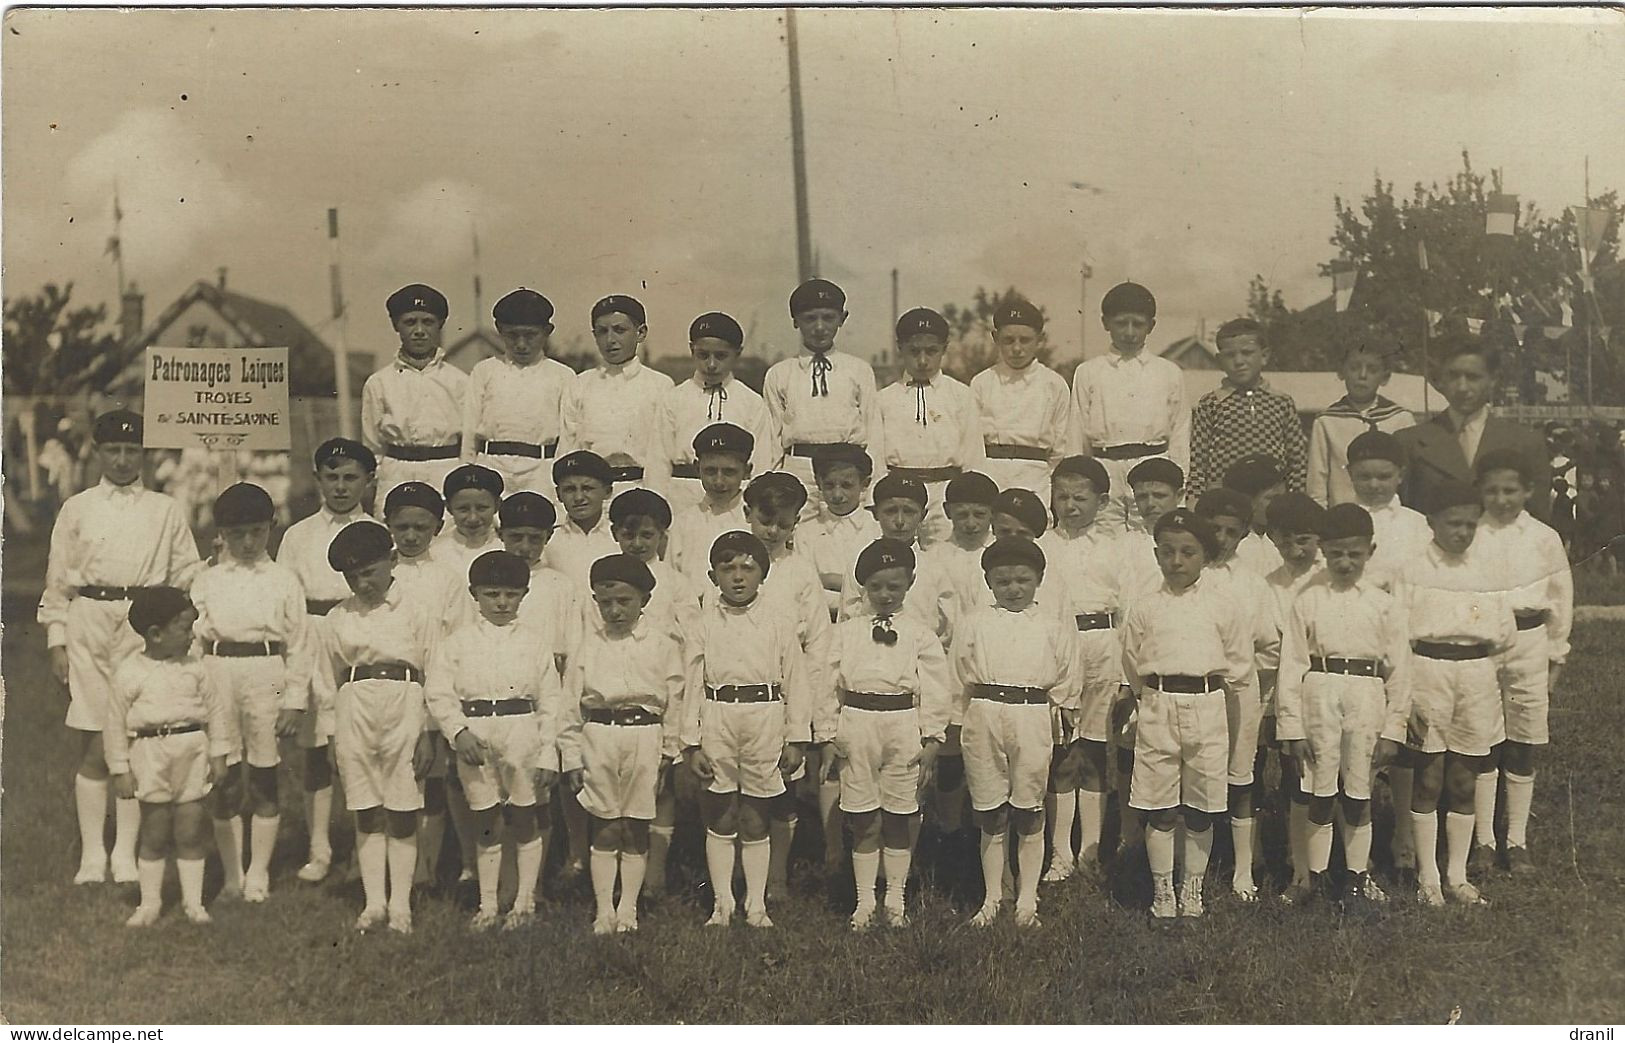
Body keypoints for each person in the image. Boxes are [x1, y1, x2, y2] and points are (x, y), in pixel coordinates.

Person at [39, 409, 204, 885]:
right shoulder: (78, 507)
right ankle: (93, 854)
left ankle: (127, 854)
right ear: (98, 452)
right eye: (114, 450)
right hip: (90, 621)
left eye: (133, 450)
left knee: (136, 739)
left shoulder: (165, 508)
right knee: (95, 738)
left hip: (144, 623)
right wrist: (56, 639)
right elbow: (57, 583)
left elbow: (185, 572)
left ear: (145, 455)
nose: (123, 459)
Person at [1274, 503, 1412, 915]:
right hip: (1319, 692)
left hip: (1366, 694)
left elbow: (1399, 669)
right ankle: (1312, 878)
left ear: (1370, 550)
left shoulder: (1384, 604)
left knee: (1358, 790)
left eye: (1354, 553)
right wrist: (1292, 727)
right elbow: (1292, 665)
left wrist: (1394, 729)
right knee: (1318, 788)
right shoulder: (1308, 599)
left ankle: (1356, 877)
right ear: (1323, 550)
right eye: (1335, 554)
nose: (1345, 562)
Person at [1120, 509, 1251, 920]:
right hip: (1159, 704)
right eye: (1167, 552)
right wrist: (1149, 698)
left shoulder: (1224, 606)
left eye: (1188, 553)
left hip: (1208, 705)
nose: (1177, 561)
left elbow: (1238, 669)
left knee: (1201, 804)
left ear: (1205, 557)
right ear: (1157, 555)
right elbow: (1130, 661)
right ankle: (1162, 892)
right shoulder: (1144, 606)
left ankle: (1191, 889)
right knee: (1160, 804)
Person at [1393, 480, 1517, 908]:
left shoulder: (1487, 570)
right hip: (1427, 671)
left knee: (1465, 778)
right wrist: (1404, 697)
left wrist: (1484, 675)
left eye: (1470, 524)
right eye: (1453, 523)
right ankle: (1427, 876)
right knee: (1427, 777)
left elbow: (1504, 634)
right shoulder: (1411, 569)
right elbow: (1397, 639)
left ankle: (1456, 876)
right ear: (1431, 523)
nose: (1462, 532)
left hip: (1476, 674)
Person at [424, 550, 563, 931]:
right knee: (485, 818)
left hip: (522, 730)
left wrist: (549, 751)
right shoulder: (457, 643)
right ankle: (487, 904)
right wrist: (458, 732)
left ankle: (523, 902)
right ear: (475, 594)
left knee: (524, 815)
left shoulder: (535, 643)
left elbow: (551, 699)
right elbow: (438, 693)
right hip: (476, 733)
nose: (501, 603)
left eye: (510, 595)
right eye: (492, 594)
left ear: (524, 594)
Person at [315, 520, 440, 933]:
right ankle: (374, 904)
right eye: (353, 577)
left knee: (403, 807)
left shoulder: (418, 612)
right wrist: (333, 736)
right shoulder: (338, 617)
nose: (362, 583)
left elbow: (435, 673)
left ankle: (401, 904)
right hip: (355, 706)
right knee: (366, 807)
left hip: (405, 701)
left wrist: (428, 731)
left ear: (391, 561)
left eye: (369, 572)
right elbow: (326, 679)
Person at [684, 532, 814, 929]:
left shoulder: (778, 622)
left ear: (763, 573)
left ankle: (756, 905)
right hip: (719, 716)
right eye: (728, 569)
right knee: (721, 816)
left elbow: (796, 680)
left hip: (765, 718)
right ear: (713, 575)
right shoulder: (702, 623)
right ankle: (722, 904)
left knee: (757, 816)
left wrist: (796, 737)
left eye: (747, 568)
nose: (738, 577)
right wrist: (691, 742)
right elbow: (691, 683)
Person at [821, 539, 952, 929]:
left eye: (893, 587)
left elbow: (935, 688)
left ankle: (895, 899)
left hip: (902, 726)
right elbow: (828, 685)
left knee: (899, 815)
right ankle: (864, 902)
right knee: (864, 818)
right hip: (857, 725)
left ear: (909, 585)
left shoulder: (920, 634)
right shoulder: (845, 633)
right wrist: (829, 735)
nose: (884, 595)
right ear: (862, 586)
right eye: (875, 586)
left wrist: (932, 738)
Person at [191, 482, 310, 903]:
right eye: (236, 533)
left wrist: (295, 699)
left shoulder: (283, 580)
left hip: (265, 673)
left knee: (263, 774)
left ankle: (258, 873)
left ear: (271, 528)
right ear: (221, 532)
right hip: (217, 671)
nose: (246, 542)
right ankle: (230, 877)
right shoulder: (206, 580)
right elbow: (191, 640)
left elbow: (299, 643)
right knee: (220, 775)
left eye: (256, 532)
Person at [557, 554, 689, 934]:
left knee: (634, 826)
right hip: (599, 737)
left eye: (624, 601)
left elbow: (674, 700)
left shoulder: (662, 645)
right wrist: (572, 757)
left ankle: (628, 908)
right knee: (605, 825)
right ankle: (604, 909)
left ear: (644, 600)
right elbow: (569, 705)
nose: (614, 610)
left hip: (645, 737)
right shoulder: (588, 645)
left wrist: (668, 753)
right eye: (605, 602)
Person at [955, 538, 1079, 928]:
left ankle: (1028, 898)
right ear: (989, 582)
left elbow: (1068, 675)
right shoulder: (974, 621)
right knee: (991, 809)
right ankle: (994, 895)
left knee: (1029, 807)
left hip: (1032, 715)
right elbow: (958, 670)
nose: (1013, 588)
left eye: (1023, 580)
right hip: (985, 713)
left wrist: (1063, 713)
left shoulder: (1051, 626)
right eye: (1003, 581)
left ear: (1039, 580)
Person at [1468, 448, 1572, 875]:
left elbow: (1561, 596)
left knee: (1523, 741)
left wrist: (1556, 654)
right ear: (1480, 491)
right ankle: (1484, 842)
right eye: (1492, 490)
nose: (1502, 498)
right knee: (1482, 741)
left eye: (1511, 490)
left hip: (1530, 641)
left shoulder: (1543, 537)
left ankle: (1517, 840)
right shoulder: (1470, 533)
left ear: (1528, 490)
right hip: (1482, 644)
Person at [276, 436, 375, 882]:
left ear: (368, 482)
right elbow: (286, 600)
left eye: (350, 478)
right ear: (317, 480)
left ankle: (364, 847)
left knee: (358, 748)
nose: (340, 487)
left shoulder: (378, 531)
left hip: (357, 635)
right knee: (316, 751)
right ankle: (319, 848)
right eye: (331, 477)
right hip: (311, 638)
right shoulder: (298, 535)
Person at [106, 588, 231, 926]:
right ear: (155, 634)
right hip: (150, 753)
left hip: (191, 752)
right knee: (155, 832)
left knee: (190, 830)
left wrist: (220, 754)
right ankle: (150, 904)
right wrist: (119, 769)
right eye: (183, 628)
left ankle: (193, 903)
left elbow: (216, 712)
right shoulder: (131, 672)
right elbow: (114, 724)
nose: (191, 635)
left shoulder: (196, 668)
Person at [1193, 488, 1281, 903]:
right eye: (1214, 529)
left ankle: (1244, 870)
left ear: (1245, 533)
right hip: (1192, 695)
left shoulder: (1252, 584)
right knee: (1193, 779)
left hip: (1238, 694)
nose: (1222, 538)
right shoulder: (1185, 575)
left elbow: (1270, 644)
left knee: (1241, 780)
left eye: (1232, 531)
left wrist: (1249, 681)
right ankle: (1193, 868)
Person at [1037, 456, 1120, 882]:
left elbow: (1127, 609)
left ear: (1101, 501)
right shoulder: (1043, 546)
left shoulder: (1114, 547)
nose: (1069, 506)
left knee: (1094, 750)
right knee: (1061, 752)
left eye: (1080, 498)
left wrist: (1123, 673)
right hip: (1059, 648)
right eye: (1061, 497)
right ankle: (1059, 852)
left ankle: (1091, 849)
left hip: (1103, 645)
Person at [1070, 282, 1190, 535]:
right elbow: (1076, 430)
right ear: (1106, 323)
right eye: (1121, 323)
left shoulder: (1168, 372)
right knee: (1102, 535)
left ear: (1151, 326)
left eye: (1138, 324)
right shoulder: (1089, 372)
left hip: (1153, 465)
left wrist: (1178, 480)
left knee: (1152, 534)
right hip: (1104, 467)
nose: (1129, 332)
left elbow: (1180, 431)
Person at [1393, 334, 1551, 521]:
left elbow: (1538, 518)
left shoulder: (1526, 443)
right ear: (1441, 379)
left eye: (1472, 377)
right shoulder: (1410, 442)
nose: (1462, 387)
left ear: (1493, 380)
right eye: (1453, 376)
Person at [762, 279, 882, 521]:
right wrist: (768, 487)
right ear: (795, 321)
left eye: (828, 318)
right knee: (795, 538)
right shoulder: (780, 373)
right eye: (809, 319)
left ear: (842, 318)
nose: (819, 327)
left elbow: (874, 432)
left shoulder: (858, 370)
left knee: (847, 536)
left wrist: (872, 493)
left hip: (846, 472)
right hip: (798, 471)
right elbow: (771, 439)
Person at [875, 307, 985, 546]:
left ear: (944, 349)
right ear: (900, 348)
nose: (923, 360)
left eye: (931, 351)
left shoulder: (961, 395)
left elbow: (973, 457)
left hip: (945, 494)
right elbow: (875, 457)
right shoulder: (884, 399)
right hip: (900, 498)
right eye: (914, 351)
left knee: (945, 557)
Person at [654, 312, 778, 515]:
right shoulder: (674, 399)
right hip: (681, 499)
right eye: (703, 355)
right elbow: (658, 462)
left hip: (735, 501)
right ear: (692, 350)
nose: (711, 364)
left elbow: (761, 463)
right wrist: (657, 512)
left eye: (721, 356)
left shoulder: (751, 402)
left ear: (737, 354)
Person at [362, 284, 469, 505]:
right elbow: (372, 446)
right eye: (410, 322)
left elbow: (469, 442)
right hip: (396, 474)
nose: (419, 331)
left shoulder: (460, 382)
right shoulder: (379, 382)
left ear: (440, 325)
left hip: (446, 473)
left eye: (428, 322)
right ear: (396, 325)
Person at [463, 288, 575, 497]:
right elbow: (469, 432)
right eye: (512, 335)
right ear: (499, 330)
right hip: (490, 467)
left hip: (541, 472)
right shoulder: (485, 371)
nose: (521, 344)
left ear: (547, 331)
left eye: (530, 335)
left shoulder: (563, 376)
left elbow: (569, 439)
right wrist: (468, 473)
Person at [558, 295, 674, 487]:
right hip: (591, 492)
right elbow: (567, 448)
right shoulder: (579, 384)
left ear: (641, 333)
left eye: (619, 330)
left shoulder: (660, 386)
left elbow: (663, 454)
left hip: (640, 487)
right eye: (602, 332)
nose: (610, 340)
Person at [970, 297, 1075, 504]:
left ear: (1040, 339)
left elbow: (1061, 446)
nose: (1017, 349)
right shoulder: (981, 383)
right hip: (991, 474)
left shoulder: (1054, 384)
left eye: (1025, 340)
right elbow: (971, 443)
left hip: (1036, 477)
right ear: (995, 337)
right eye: (1008, 340)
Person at [1188, 318, 1307, 498]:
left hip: (1270, 496)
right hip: (1226, 496)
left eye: (1247, 353)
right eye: (1230, 355)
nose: (1239, 361)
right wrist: (1195, 499)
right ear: (1219, 360)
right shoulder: (1211, 403)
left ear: (1264, 356)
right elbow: (1197, 460)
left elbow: (1297, 459)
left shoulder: (1281, 402)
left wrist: (1296, 499)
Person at [1306, 342, 1416, 507]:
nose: (1362, 375)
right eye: (1354, 368)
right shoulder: (1326, 422)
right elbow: (1317, 483)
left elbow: (1409, 478)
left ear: (1385, 377)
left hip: (1392, 516)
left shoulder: (1401, 418)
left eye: (1372, 370)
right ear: (1341, 371)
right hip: (1344, 518)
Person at [666, 423, 754, 587]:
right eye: (710, 471)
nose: (719, 482)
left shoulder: (754, 521)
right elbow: (673, 580)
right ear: (697, 468)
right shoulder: (684, 522)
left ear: (747, 471)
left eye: (729, 472)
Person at [1343, 431, 1432, 594]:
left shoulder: (1418, 524)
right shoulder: (1337, 521)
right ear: (1350, 474)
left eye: (1384, 477)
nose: (1374, 485)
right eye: (1364, 477)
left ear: (1401, 475)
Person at [800, 445, 880, 618]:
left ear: (864, 484)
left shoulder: (876, 529)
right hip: (820, 619)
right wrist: (853, 592)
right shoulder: (806, 532)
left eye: (846, 485)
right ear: (818, 482)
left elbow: (881, 589)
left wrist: (828, 581)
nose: (837, 494)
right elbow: (806, 589)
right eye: (829, 485)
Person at [542, 451, 620, 589]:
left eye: (587, 488)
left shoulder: (619, 537)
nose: (578, 497)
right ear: (558, 495)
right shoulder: (549, 540)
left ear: (607, 491)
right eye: (569, 489)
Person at [1225, 455, 1290, 577]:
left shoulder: (1275, 543)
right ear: (1246, 500)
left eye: (1283, 498)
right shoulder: (1236, 549)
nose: (1280, 505)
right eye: (1271, 498)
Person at [435, 464, 505, 575]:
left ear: (497, 505)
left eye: (482, 508)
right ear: (448, 508)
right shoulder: (435, 551)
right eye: (463, 509)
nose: (473, 518)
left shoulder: (506, 548)